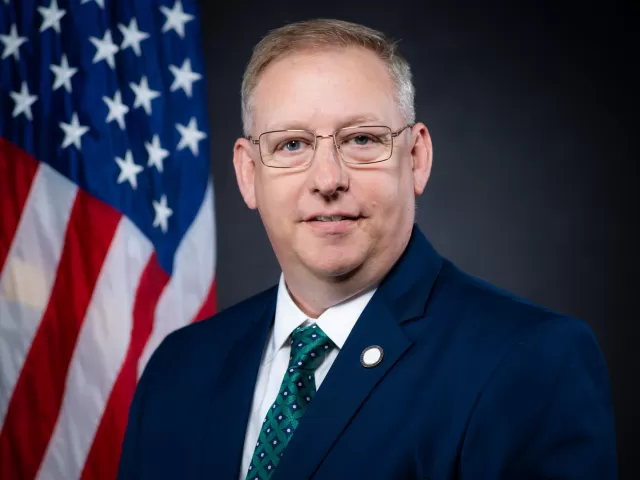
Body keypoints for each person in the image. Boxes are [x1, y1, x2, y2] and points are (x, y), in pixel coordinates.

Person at [117, 19, 617, 480]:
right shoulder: (178, 369)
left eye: (361, 138)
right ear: (249, 174)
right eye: (292, 144)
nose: (328, 180)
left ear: (416, 159)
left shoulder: (531, 362)